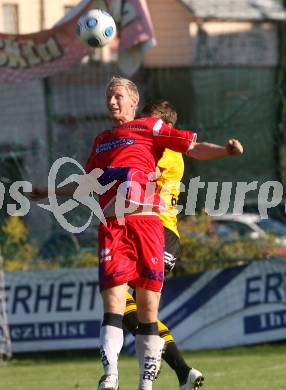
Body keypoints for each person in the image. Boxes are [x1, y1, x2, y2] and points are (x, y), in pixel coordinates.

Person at [28, 77, 243, 390]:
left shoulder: (151, 130)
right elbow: (88, 183)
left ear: (133, 101)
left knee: (146, 310)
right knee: (115, 302)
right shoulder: (102, 140)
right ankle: (111, 376)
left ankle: (153, 382)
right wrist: (49, 192)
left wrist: (224, 151)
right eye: (108, 97)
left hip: (150, 225)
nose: (111, 102)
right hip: (114, 226)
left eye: (117, 96)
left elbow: (193, 147)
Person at [123, 100, 244, 390]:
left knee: (136, 309)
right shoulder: (157, 145)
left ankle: (171, 374)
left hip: (160, 231)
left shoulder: (164, 148)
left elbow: (196, 148)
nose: (144, 127)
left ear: (163, 126)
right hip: (144, 230)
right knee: (127, 309)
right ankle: (183, 373)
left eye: (148, 122)